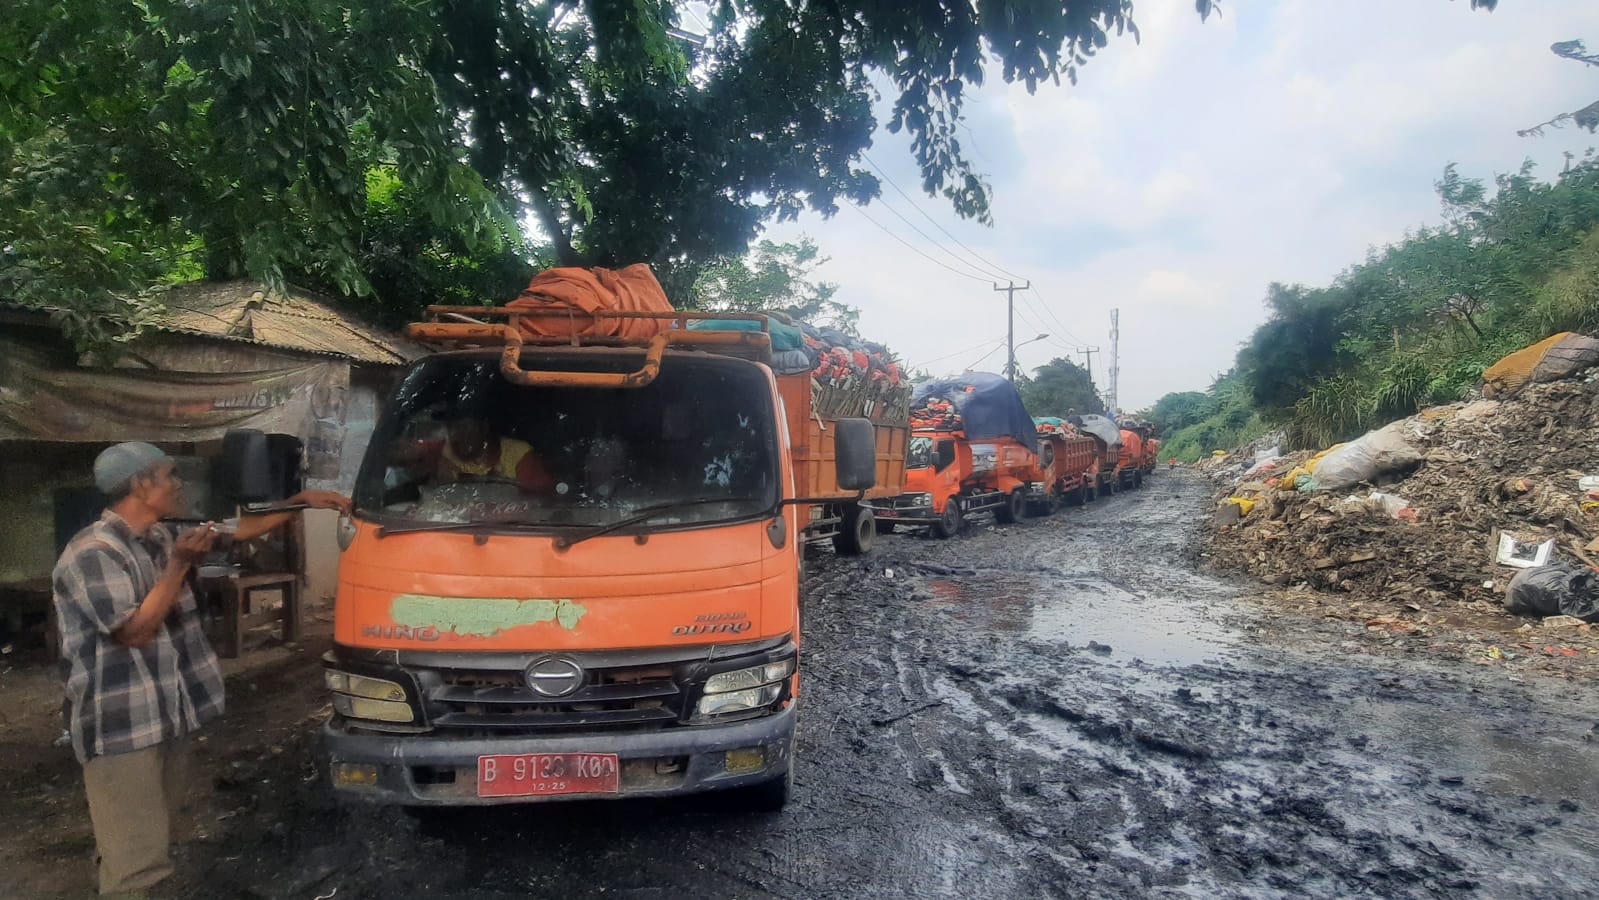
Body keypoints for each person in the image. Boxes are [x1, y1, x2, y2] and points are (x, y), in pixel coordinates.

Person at [51, 442, 350, 896]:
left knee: (146, 839)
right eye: (168, 476)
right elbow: (134, 631)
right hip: (121, 727)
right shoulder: (93, 552)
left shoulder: (161, 534)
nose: (178, 485)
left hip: (166, 714)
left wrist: (300, 503)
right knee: (137, 863)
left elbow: (237, 530)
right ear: (139, 484)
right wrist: (179, 567)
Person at [434, 417, 555, 494]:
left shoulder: (519, 455)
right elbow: (439, 498)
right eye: (451, 427)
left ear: (484, 428)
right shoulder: (447, 452)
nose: (457, 434)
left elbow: (541, 502)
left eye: (465, 427)